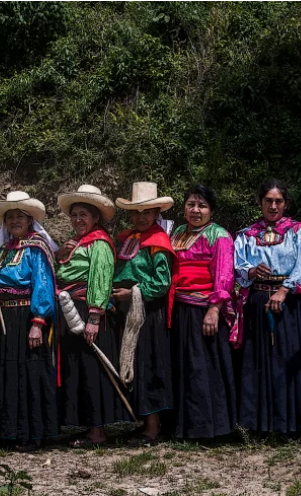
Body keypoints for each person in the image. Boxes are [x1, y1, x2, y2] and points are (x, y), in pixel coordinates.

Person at [234, 179, 301, 436]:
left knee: (287, 358)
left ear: (286, 203)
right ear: (260, 203)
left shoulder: (298, 231)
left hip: (289, 301)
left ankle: (289, 423)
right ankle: (257, 424)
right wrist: (251, 270)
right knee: (258, 360)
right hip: (258, 300)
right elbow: (237, 267)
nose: (273, 206)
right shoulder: (247, 234)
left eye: (278, 201)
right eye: (268, 200)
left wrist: (285, 289)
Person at [56, 184, 127, 447]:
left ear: (96, 217)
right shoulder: (77, 243)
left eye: (83, 214)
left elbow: (100, 279)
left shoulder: (100, 243)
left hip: (88, 310)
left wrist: (94, 318)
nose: (78, 219)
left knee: (93, 371)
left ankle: (98, 431)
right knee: (81, 370)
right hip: (71, 309)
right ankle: (88, 426)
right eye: (74, 215)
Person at [0, 191, 59, 452]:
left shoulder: (36, 247)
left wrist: (38, 322)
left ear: (30, 220)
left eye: (21, 216)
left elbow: (43, 283)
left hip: (27, 316)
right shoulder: (4, 250)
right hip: (6, 318)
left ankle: (34, 432)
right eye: (11, 217)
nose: (15, 220)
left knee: (30, 372)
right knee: (9, 373)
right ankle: (9, 430)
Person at [168, 185, 237, 439]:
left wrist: (214, 309)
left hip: (205, 310)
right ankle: (185, 426)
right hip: (181, 309)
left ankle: (212, 428)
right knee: (185, 367)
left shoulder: (219, 236)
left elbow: (224, 274)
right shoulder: (178, 232)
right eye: (191, 205)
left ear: (211, 210)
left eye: (202, 206)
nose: (195, 210)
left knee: (205, 368)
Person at [112, 182, 175, 446]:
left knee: (149, 365)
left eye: (147, 212)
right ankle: (142, 421)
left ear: (156, 213)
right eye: (137, 212)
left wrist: (133, 293)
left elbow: (162, 282)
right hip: (126, 309)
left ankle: (153, 427)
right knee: (133, 364)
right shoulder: (127, 238)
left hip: (148, 311)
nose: (141, 217)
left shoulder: (158, 242)